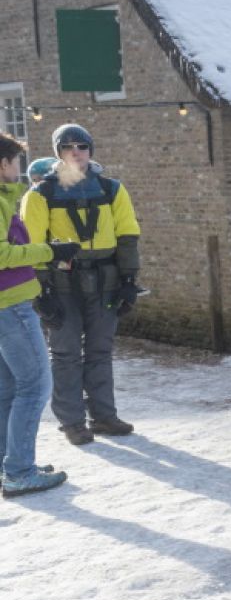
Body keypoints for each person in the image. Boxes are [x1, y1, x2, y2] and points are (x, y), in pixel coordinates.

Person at [20, 124, 139, 446]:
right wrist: (41, 291)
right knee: (66, 353)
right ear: (58, 151)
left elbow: (127, 236)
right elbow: (32, 245)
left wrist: (129, 280)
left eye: (82, 146)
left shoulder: (111, 189)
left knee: (100, 350)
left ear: (90, 150)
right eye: (68, 146)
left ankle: (103, 416)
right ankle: (72, 421)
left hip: (105, 281)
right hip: (62, 283)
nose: (76, 152)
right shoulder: (40, 194)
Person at [0, 134, 75, 497]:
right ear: (3, 165)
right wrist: (49, 250)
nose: (19, 169)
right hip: (9, 306)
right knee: (35, 386)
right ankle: (19, 471)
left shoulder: (6, 200)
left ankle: (9, 463)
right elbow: (2, 255)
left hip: (6, 306)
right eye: (15, 161)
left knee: (9, 389)